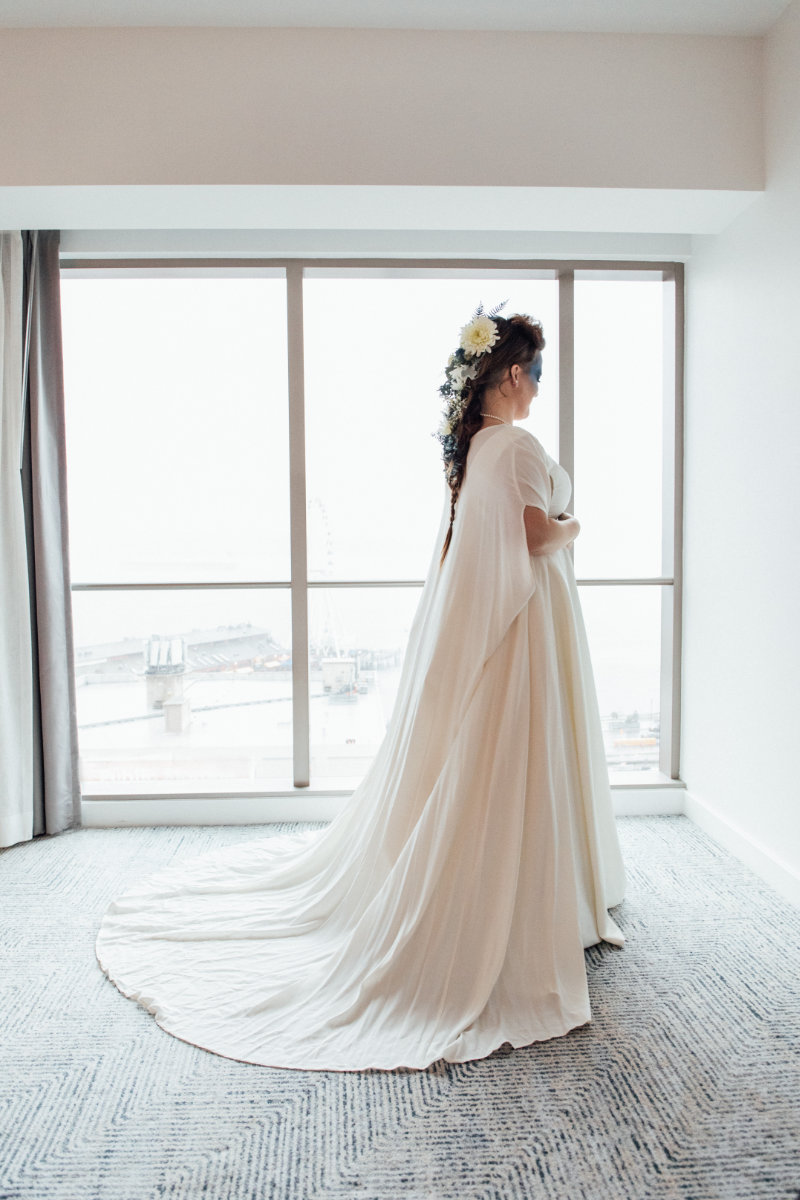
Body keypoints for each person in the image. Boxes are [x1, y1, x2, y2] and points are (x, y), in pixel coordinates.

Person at [96, 306, 626, 1073]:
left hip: (518, 619)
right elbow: (536, 536)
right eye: (537, 372)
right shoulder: (512, 444)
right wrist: (579, 525)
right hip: (527, 625)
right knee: (515, 762)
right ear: (512, 372)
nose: (540, 388)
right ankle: (518, 902)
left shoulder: (479, 447)